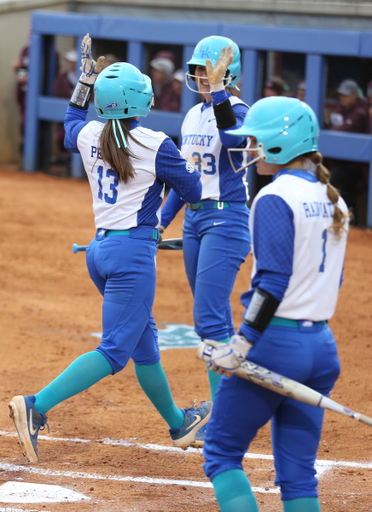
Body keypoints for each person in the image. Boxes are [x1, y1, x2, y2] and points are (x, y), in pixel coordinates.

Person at [8, 34, 212, 463]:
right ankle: (36, 406)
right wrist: (187, 165)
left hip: (100, 254)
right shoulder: (157, 144)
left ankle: (179, 424)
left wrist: (84, 81)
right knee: (116, 351)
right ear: (140, 99)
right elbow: (192, 191)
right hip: (132, 258)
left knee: (145, 343)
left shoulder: (88, 135)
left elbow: (70, 123)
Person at [198, 96, 349, 511]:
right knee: (299, 475)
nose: (250, 149)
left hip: (275, 346)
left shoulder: (273, 197)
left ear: (281, 144)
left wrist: (241, 346)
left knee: (222, 455)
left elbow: (273, 282)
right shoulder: (334, 200)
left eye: (256, 141)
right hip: (321, 347)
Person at [160, 36, 251, 446]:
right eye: (197, 70)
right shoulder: (193, 115)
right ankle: (231, 405)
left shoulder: (239, 111)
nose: (199, 76)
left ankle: (222, 422)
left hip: (227, 218)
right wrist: (161, 222)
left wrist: (218, 93)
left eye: (207, 70)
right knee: (211, 323)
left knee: (210, 318)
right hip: (197, 221)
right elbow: (185, 178)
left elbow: (233, 140)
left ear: (226, 74)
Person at [323, 78, 369, 221]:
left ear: (355, 95)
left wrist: (333, 127)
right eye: (341, 95)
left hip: (358, 166)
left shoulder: (362, 110)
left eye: (346, 95)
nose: (342, 98)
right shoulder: (343, 109)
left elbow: (346, 128)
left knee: (337, 178)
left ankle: (343, 219)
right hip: (342, 161)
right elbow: (334, 122)